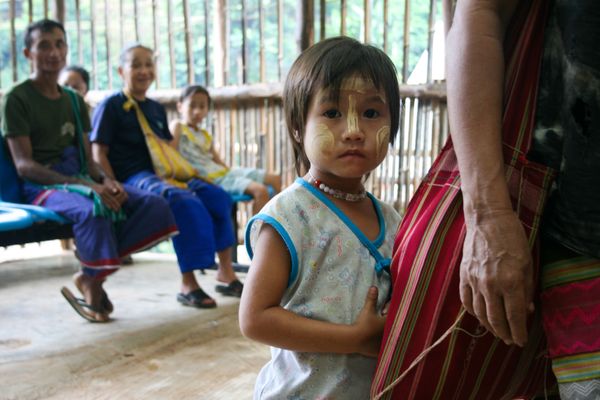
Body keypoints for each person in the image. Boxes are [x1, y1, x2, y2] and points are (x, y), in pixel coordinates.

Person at [238, 36, 402, 399]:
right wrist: (354, 340)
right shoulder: (289, 216)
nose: (355, 130)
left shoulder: (394, 222)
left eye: (372, 113)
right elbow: (255, 318)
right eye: (332, 113)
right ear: (298, 126)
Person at [0, 19, 178, 323]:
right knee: (93, 209)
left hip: (79, 177)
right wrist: (88, 189)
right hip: (40, 185)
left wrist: (108, 181)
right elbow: (25, 166)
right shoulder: (16, 99)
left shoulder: (73, 100)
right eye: (44, 45)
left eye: (59, 44)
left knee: (155, 205)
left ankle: (89, 276)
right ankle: (94, 288)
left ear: (67, 49)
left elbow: (88, 158)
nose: (53, 52)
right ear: (28, 53)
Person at [90, 43, 243, 309]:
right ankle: (188, 284)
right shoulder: (111, 106)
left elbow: (167, 152)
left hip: (164, 173)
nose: (143, 71)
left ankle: (226, 272)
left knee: (218, 197)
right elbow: (98, 152)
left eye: (148, 64)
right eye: (136, 65)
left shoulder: (155, 108)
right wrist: (110, 182)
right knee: (183, 200)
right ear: (120, 70)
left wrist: (193, 175)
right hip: (134, 176)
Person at [170, 85, 282, 215]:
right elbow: (170, 154)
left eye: (202, 107)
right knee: (260, 191)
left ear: (207, 110)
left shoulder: (205, 135)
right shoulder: (178, 126)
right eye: (192, 106)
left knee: (275, 178)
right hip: (208, 178)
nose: (197, 111)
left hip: (222, 173)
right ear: (180, 107)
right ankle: (256, 235)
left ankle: (277, 226)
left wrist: (236, 177)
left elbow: (219, 162)